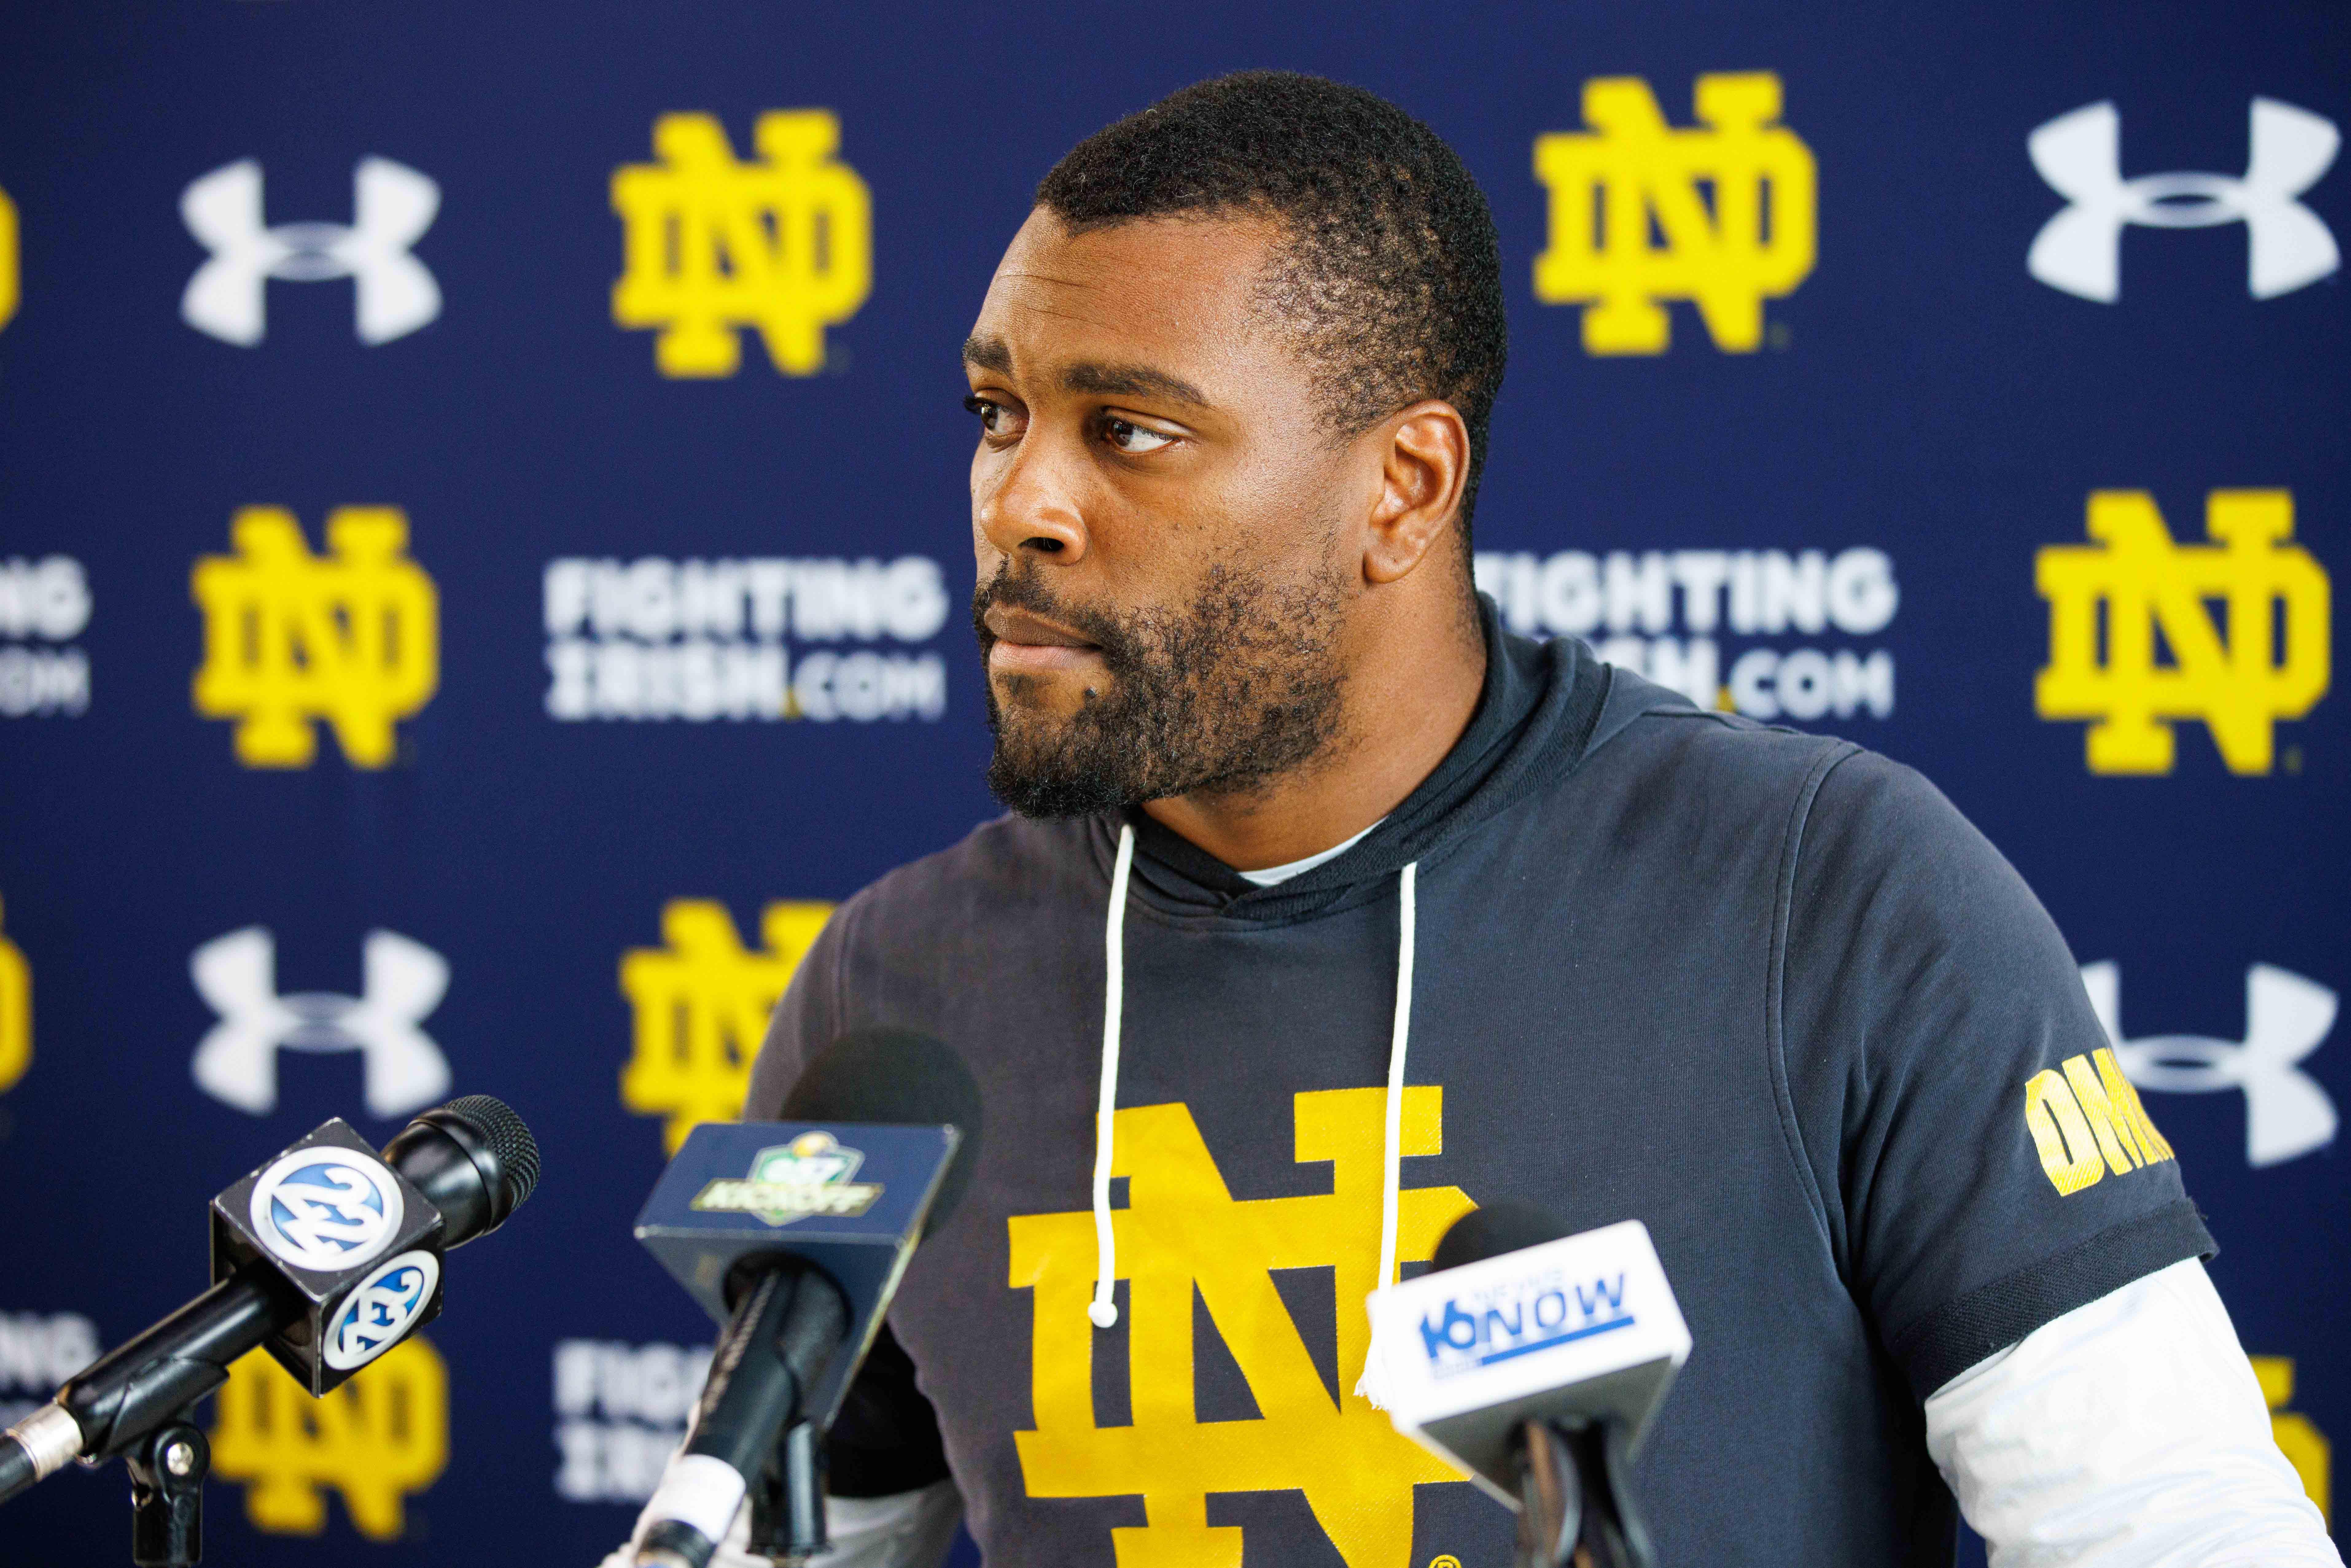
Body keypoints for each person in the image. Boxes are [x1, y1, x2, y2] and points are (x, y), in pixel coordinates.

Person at [610, 72, 2338, 1567]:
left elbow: (2171, 1524)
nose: (1022, 503)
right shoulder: (897, 992)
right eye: (998, 414)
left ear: (1404, 486)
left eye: (1128, 430)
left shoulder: (1832, 893)